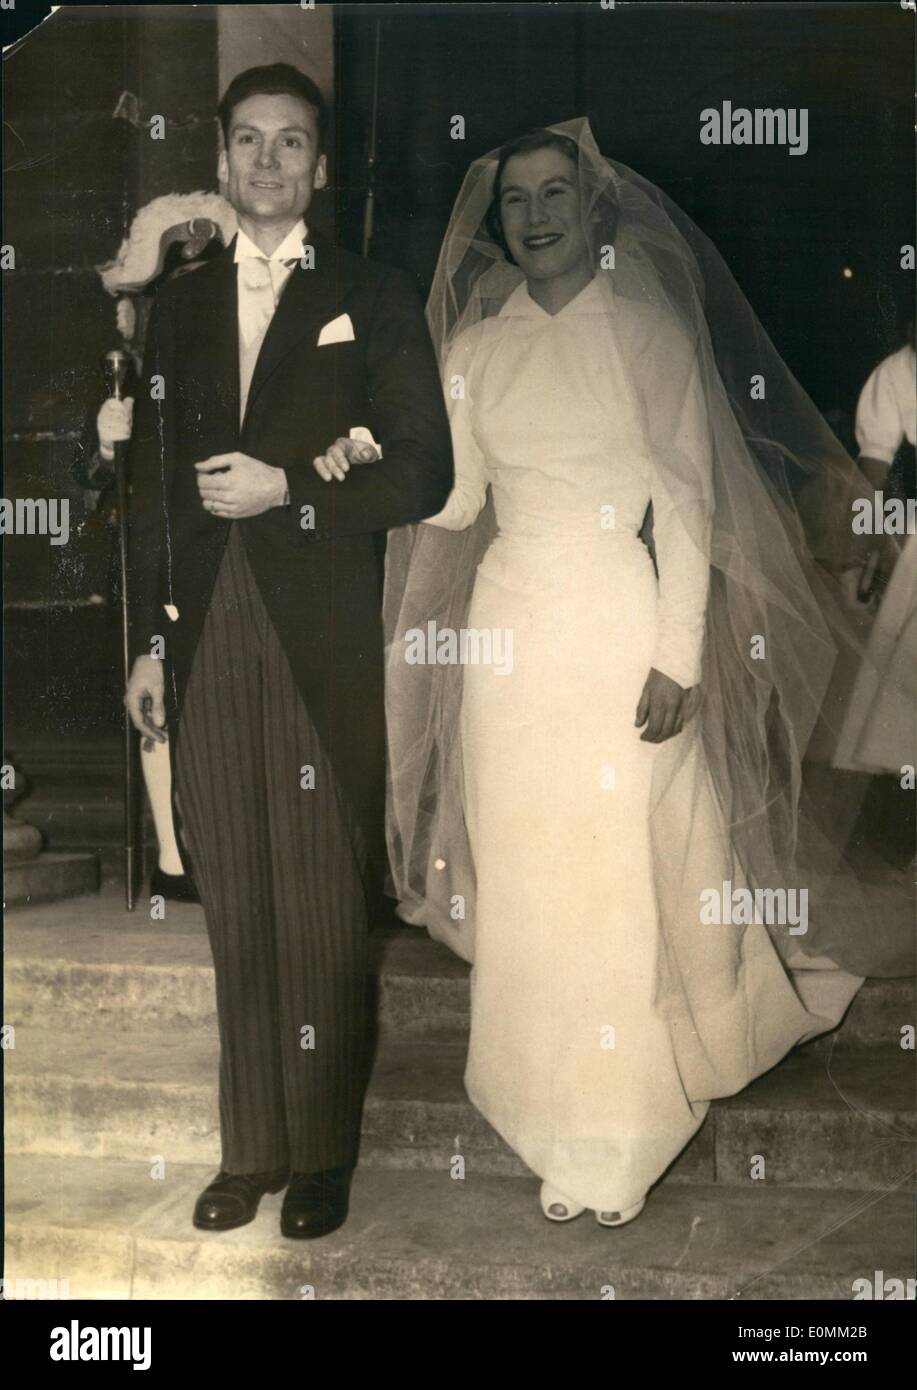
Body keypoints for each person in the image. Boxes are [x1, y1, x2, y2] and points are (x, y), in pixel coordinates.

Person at [377, 120, 879, 1227]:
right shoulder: (470, 352)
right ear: (497, 218)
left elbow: (690, 502)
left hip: (617, 616)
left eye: (556, 193)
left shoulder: (647, 334)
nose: (537, 215)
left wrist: (676, 654)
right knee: (529, 865)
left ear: (592, 208)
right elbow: (455, 505)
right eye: (516, 200)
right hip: (511, 627)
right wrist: (366, 465)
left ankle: (615, 1128)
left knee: (608, 870)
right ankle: (528, 1092)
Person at [124, 63, 452, 1239]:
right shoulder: (179, 307)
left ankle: (318, 1154)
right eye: (248, 142)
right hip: (205, 633)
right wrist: (150, 643)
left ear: (321, 165)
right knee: (235, 902)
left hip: (319, 640)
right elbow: (155, 495)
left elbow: (424, 470)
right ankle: (247, 1146)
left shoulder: (374, 291)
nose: (268, 163)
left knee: (317, 901)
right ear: (219, 159)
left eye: (291, 145)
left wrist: (290, 496)